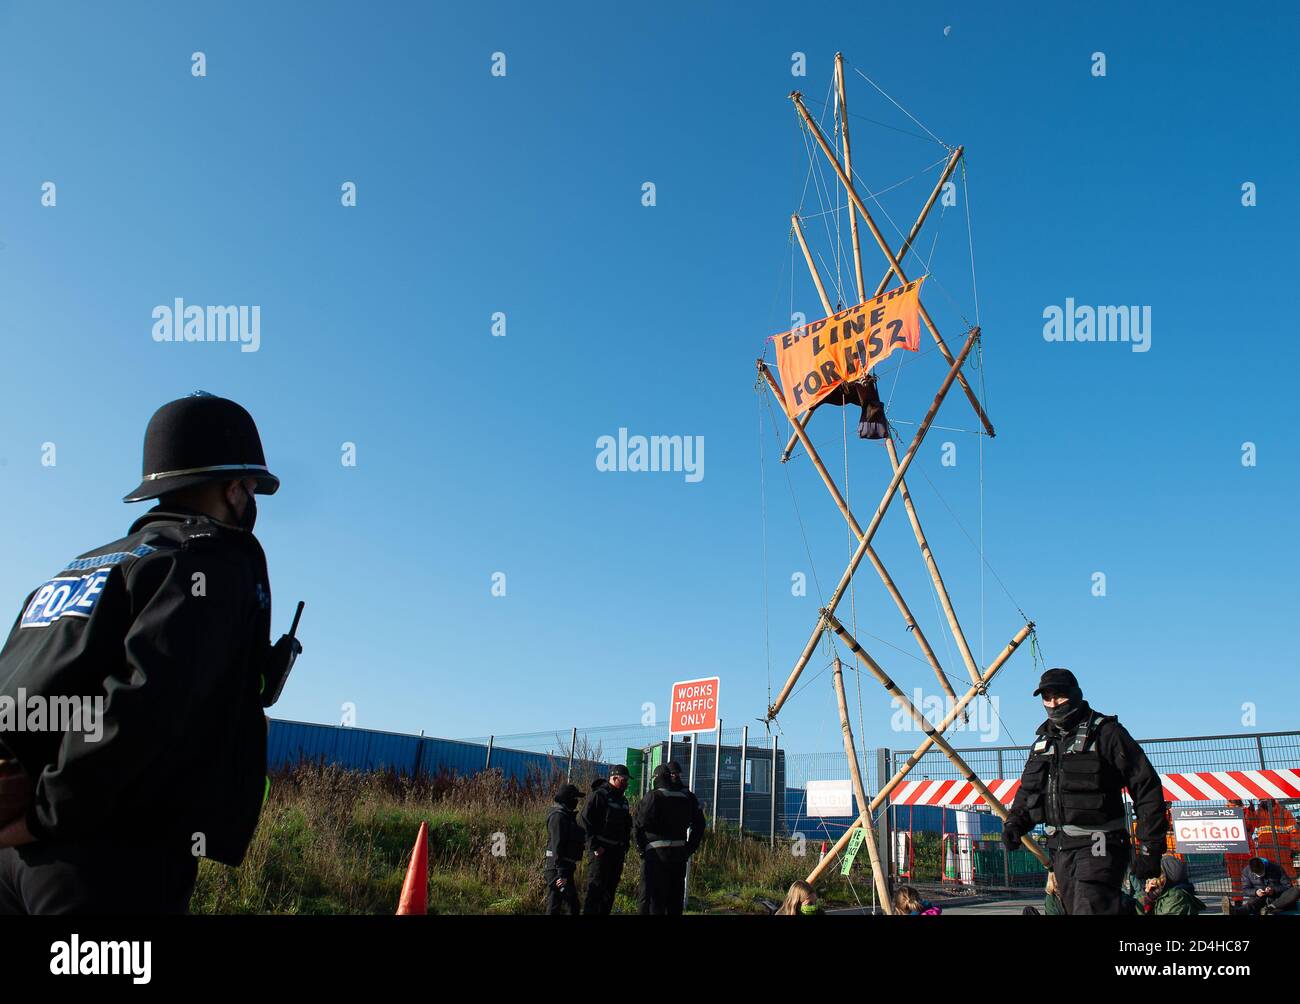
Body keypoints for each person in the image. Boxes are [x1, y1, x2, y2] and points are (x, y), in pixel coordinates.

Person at [0, 392, 297, 915]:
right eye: (252, 488)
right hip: (108, 862)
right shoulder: (209, 560)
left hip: (13, 858)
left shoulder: (81, 567)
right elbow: (144, 708)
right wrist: (47, 812)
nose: (251, 501)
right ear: (235, 487)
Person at [1001, 668, 1166, 915]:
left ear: (1076, 694)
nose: (1053, 703)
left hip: (1100, 844)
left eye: (1059, 695)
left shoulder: (1107, 733)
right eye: (1047, 697)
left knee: (1089, 906)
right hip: (1060, 849)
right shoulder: (1043, 742)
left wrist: (1150, 847)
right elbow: (1029, 790)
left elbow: (1146, 786)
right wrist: (1015, 823)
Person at [633, 761, 705, 915]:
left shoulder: (653, 796)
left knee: (653, 899)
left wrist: (641, 848)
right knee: (674, 900)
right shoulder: (688, 797)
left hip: (656, 855)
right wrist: (688, 848)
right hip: (678, 854)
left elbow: (638, 824)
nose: (676, 777)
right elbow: (699, 825)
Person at [579, 764, 632, 915]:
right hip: (600, 854)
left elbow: (627, 826)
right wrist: (594, 845)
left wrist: (624, 847)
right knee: (595, 891)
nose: (627, 784)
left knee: (609, 893)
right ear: (614, 778)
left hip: (616, 853)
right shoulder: (599, 796)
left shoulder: (623, 801)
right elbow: (584, 820)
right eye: (624, 780)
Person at [543, 783, 585, 915]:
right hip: (557, 869)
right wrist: (561, 873)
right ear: (568, 799)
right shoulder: (558, 817)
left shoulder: (566, 817)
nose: (577, 802)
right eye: (575, 798)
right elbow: (557, 846)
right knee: (572, 905)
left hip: (564, 868)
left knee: (555, 903)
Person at [1223, 857, 1299, 916]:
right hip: (1259, 899)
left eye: (1261, 873)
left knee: (1296, 890)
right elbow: (1246, 889)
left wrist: (1273, 890)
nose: (1260, 875)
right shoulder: (1246, 872)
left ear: (1264, 866)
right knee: (1251, 904)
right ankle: (1234, 911)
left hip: (1277, 899)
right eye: (1257, 874)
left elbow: (1288, 886)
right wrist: (1256, 892)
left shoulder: (1276, 868)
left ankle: (1270, 908)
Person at [1133, 856, 1204, 916]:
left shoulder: (1176, 896)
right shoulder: (1162, 892)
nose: (1153, 876)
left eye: (1157, 873)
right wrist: (1149, 897)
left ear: (1165, 876)